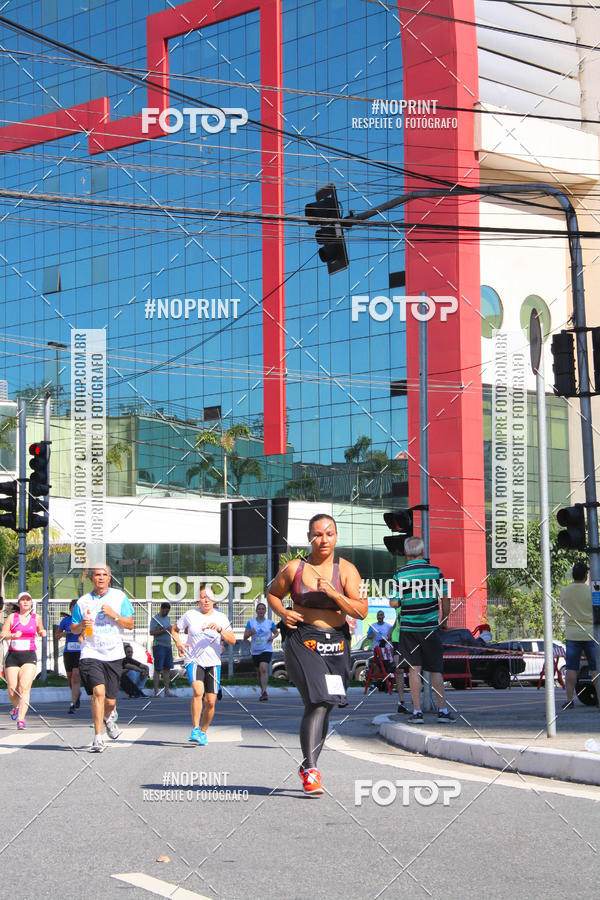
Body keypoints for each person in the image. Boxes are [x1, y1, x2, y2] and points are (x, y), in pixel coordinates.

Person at [268, 514, 365, 796]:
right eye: (318, 534)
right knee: (317, 699)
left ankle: (308, 765)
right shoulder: (294, 568)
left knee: (326, 704)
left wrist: (335, 595)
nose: (324, 540)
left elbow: (360, 610)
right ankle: (311, 769)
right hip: (302, 640)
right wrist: (283, 612)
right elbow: (272, 593)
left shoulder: (347, 570)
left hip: (336, 644)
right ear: (309, 537)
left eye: (329, 534)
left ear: (336, 537)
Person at [388, 536, 455, 725]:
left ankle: (417, 712)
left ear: (405, 553)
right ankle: (442, 710)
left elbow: (393, 602)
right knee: (435, 669)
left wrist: (405, 599)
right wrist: (444, 620)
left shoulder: (399, 574)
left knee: (413, 669)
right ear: (423, 552)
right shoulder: (435, 571)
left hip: (409, 628)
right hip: (430, 628)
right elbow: (445, 598)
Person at [70, 565, 135, 752]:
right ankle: (98, 738)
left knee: (110, 701)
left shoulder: (119, 597)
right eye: (97, 575)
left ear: (109, 578)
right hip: (91, 652)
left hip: (114, 654)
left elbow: (130, 624)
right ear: (91, 579)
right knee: (98, 693)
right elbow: (73, 628)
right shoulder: (82, 602)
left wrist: (114, 615)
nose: (100, 578)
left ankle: (108, 718)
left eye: (104, 575)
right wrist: (81, 624)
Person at [172, 583, 235, 745]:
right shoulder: (190, 615)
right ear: (198, 601)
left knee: (211, 702)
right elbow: (174, 629)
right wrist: (179, 643)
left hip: (213, 663)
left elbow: (233, 640)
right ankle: (194, 728)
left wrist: (220, 630)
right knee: (198, 691)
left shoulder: (221, 617)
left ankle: (203, 731)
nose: (205, 601)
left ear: (214, 600)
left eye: (209, 598)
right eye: (202, 598)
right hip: (194, 659)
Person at [0, 591, 46, 729]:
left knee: (24, 688)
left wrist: (42, 632)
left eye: (28, 600)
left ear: (31, 602)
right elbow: (3, 635)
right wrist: (13, 635)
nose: (25, 602)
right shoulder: (12, 617)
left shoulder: (36, 617)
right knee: (12, 690)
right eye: (23, 600)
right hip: (13, 656)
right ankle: (17, 708)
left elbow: (41, 629)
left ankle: (21, 718)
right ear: (19, 603)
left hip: (29, 656)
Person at [559, 561, 598, 709]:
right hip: (590, 633)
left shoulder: (564, 591)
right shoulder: (592, 590)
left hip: (572, 634)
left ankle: (569, 700)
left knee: (571, 668)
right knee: (595, 667)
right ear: (586, 575)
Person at [244, 601, 279, 700]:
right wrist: (250, 632)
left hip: (266, 649)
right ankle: (262, 690)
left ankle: (264, 692)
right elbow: (245, 637)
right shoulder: (251, 622)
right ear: (256, 611)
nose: (261, 611)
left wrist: (272, 637)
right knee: (259, 672)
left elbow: (276, 632)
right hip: (255, 650)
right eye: (259, 609)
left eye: (263, 609)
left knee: (263, 668)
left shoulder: (269, 623)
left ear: (265, 611)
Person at [56, 599, 82, 713]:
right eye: (73, 607)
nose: (75, 609)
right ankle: (77, 694)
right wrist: (63, 633)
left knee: (76, 677)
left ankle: (72, 703)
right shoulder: (66, 620)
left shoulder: (84, 620)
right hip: (68, 652)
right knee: (70, 678)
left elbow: (91, 633)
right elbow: (57, 635)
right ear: (70, 609)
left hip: (80, 651)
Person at [150, 601, 174, 696]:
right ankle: (156, 691)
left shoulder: (168, 618)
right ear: (161, 609)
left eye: (168, 611)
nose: (166, 613)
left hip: (168, 645)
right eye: (165, 611)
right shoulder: (155, 619)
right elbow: (151, 632)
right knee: (158, 668)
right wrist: (164, 630)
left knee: (167, 668)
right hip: (159, 645)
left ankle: (166, 690)